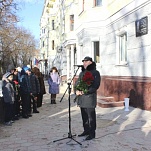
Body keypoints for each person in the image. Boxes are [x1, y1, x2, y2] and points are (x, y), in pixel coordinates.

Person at [74, 56, 101, 140]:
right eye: (83, 61)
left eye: (86, 61)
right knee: (84, 116)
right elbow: (77, 83)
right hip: (82, 98)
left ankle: (92, 133)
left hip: (89, 98)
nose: (84, 63)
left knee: (91, 117)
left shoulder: (95, 72)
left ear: (90, 62)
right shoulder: (82, 73)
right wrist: (76, 90)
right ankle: (86, 130)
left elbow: (95, 85)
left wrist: (85, 91)